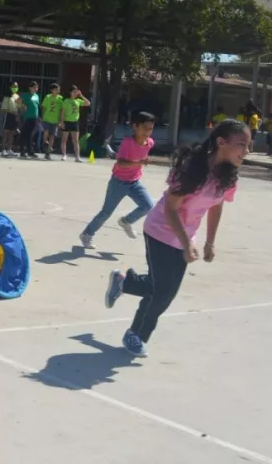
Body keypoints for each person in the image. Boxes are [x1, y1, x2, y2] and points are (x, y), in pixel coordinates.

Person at [104, 119, 249, 357]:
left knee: (161, 287)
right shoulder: (193, 169)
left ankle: (124, 282)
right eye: (241, 144)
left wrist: (209, 242)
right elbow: (171, 209)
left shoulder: (228, 176)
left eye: (248, 145)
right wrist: (186, 242)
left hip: (183, 236)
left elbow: (216, 205)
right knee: (163, 292)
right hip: (161, 230)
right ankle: (136, 334)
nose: (246, 151)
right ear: (221, 142)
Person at [80, 111, 156, 249]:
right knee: (106, 212)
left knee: (148, 205)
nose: (147, 132)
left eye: (150, 128)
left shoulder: (149, 143)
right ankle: (87, 234)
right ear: (135, 126)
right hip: (118, 182)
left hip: (134, 182)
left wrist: (142, 162)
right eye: (144, 127)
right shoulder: (128, 142)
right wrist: (139, 162)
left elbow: (140, 160)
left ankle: (126, 221)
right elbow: (121, 162)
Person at [59, 85, 91, 162]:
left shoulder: (78, 101)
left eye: (76, 91)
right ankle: (64, 155)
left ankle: (77, 157)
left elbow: (88, 103)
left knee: (76, 140)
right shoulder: (66, 101)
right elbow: (62, 112)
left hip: (75, 122)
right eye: (74, 91)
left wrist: (81, 95)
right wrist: (61, 122)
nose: (75, 93)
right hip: (67, 121)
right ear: (70, 92)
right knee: (64, 140)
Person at [40, 83, 63, 159]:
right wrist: (43, 117)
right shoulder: (48, 97)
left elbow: (61, 110)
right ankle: (45, 142)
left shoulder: (60, 98)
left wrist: (60, 121)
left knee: (52, 135)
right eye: (56, 89)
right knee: (46, 132)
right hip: (47, 118)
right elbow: (43, 107)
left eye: (58, 89)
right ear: (52, 90)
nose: (57, 90)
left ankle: (48, 151)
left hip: (55, 120)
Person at [19, 81, 40, 158]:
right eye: (34, 87)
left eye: (37, 87)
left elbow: (37, 106)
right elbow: (17, 101)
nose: (36, 89)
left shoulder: (37, 96)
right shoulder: (25, 95)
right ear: (30, 88)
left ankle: (29, 151)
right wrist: (23, 106)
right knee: (23, 134)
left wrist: (39, 116)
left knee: (30, 135)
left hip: (34, 118)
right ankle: (22, 151)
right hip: (27, 117)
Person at [0, 81, 21, 157]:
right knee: (6, 132)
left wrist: (18, 115)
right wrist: (12, 112)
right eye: (14, 86)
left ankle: (9, 149)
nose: (15, 88)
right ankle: (3, 150)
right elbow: (3, 109)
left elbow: (19, 107)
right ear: (10, 87)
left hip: (15, 116)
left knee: (12, 133)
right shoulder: (7, 97)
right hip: (8, 115)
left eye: (17, 86)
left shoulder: (17, 96)